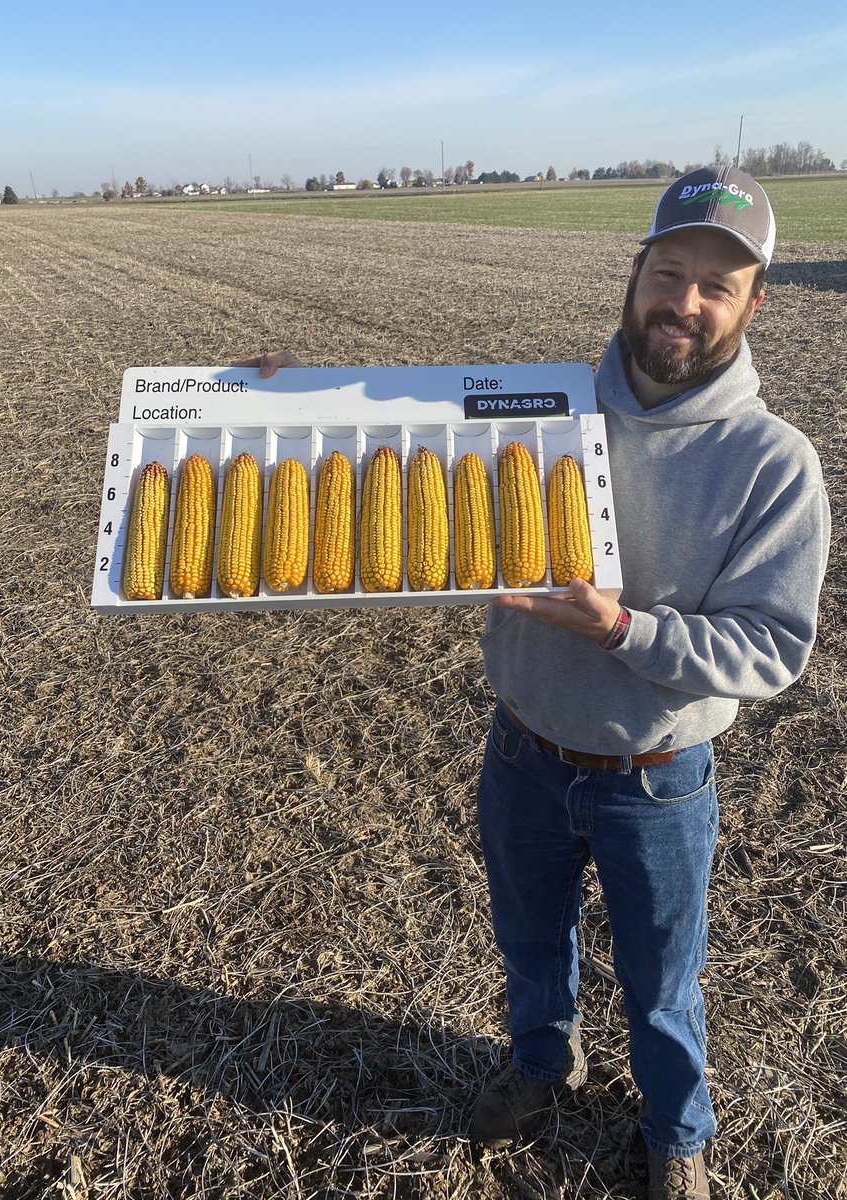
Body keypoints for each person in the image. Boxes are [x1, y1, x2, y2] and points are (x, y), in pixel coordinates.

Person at [238, 165, 830, 1200]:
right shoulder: (539, 410)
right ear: (636, 268)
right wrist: (279, 392)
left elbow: (770, 648)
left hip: (658, 775)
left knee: (660, 983)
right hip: (522, 748)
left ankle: (677, 1128)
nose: (684, 301)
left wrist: (625, 631)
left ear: (753, 304)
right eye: (670, 269)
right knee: (528, 945)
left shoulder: (773, 463)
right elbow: (397, 427)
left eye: (717, 285)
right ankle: (541, 1063)